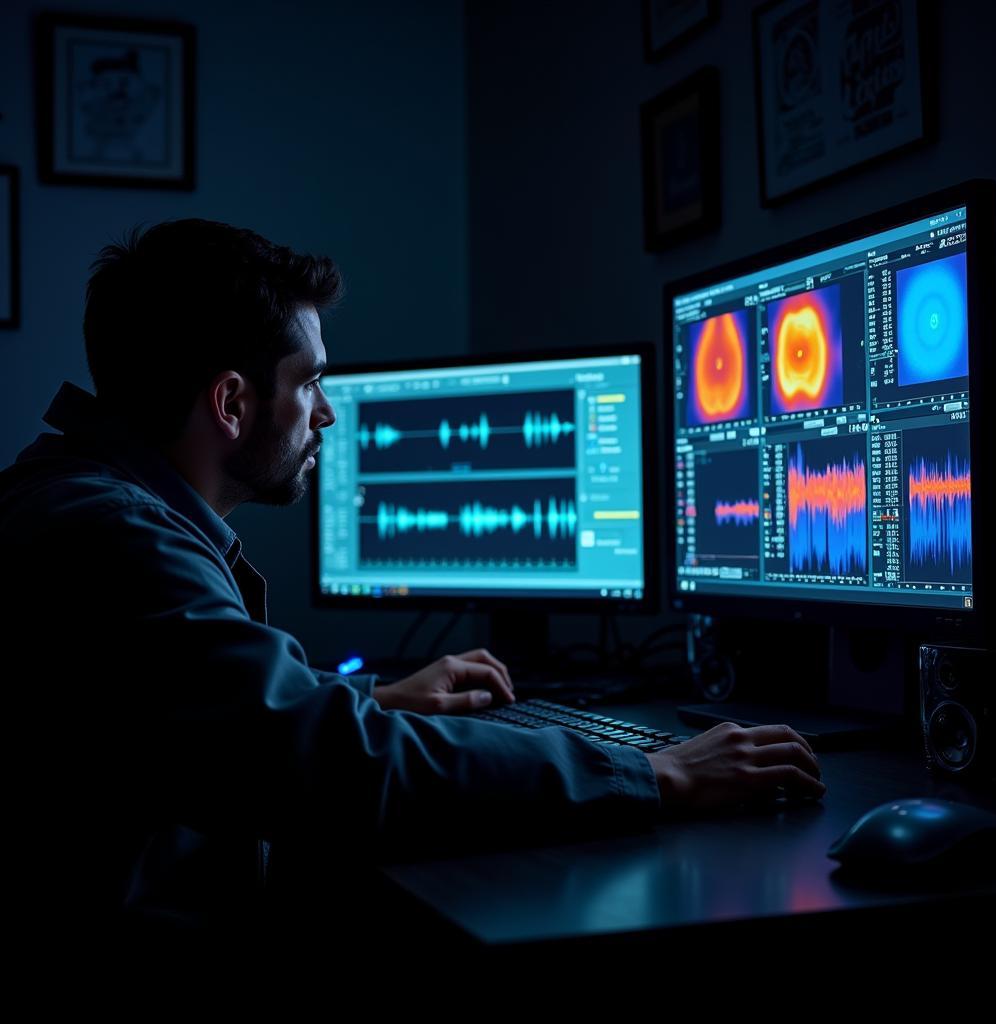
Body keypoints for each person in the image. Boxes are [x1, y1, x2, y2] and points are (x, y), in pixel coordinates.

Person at [1, 219, 823, 946]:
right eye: (311, 380)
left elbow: (194, 704)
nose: (326, 413)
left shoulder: (80, 496)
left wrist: (371, 701)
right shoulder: (120, 541)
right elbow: (330, 768)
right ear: (230, 402)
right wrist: (653, 773)